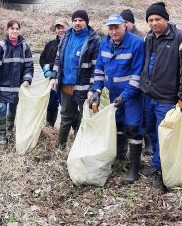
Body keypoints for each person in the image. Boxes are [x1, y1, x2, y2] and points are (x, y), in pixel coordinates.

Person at [140, 2, 182, 193]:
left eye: (157, 19)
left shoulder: (181, 40)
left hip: (167, 99)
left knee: (166, 138)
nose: (154, 23)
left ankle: (163, 175)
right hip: (149, 95)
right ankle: (156, 164)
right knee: (153, 133)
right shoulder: (149, 38)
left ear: (166, 19)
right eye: (150, 20)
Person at [89, 14, 145, 184]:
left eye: (116, 27)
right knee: (118, 125)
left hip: (132, 95)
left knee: (133, 127)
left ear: (124, 26)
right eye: (110, 28)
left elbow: (137, 75)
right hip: (114, 94)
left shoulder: (136, 43)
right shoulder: (104, 43)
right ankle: (120, 158)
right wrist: (96, 90)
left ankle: (134, 169)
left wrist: (125, 96)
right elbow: (99, 69)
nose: (113, 31)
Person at [50, 10, 101, 149]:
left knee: (86, 118)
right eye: (75, 20)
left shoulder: (94, 39)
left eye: (81, 20)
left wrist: (92, 88)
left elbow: (96, 67)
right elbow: (58, 59)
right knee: (65, 116)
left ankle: (84, 147)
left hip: (84, 87)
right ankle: (61, 146)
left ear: (86, 22)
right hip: (65, 84)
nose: (77, 23)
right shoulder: (66, 36)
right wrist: (54, 77)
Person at [0, 20, 34, 145]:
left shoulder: (24, 47)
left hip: (18, 88)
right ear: (7, 30)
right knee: (2, 110)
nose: (14, 31)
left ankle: (10, 130)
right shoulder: (0, 46)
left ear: (19, 30)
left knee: (13, 110)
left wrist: (27, 79)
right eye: (12, 28)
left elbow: (29, 66)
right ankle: (2, 135)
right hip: (3, 88)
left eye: (17, 28)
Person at [120, 8, 153, 156]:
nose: (124, 25)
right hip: (126, 83)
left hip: (142, 82)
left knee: (144, 113)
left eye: (126, 22)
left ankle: (148, 142)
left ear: (132, 23)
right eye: (122, 22)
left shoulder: (142, 38)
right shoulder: (120, 38)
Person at [39, 18, 69, 127]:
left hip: (65, 80)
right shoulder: (50, 44)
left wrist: (50, 66)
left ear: (68, 28)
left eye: (62, 27)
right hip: (50, 80)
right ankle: (50, 126)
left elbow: (65, 62)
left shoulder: (71, 44)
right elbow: (42, 59)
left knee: (66, 106)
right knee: (51, 104)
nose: (60, 30)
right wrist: (45, 70)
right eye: (58, 28)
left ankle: (73, 128)